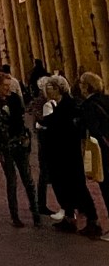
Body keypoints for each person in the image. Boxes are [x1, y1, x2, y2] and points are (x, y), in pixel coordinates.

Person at [39, 75, 102, 237]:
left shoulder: (69, 105)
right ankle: (69, 217)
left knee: (77, 186)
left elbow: (61, 124)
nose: (47, 91)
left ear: (58, 88)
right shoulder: (62, 105)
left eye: (50, 87)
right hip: (60, 154)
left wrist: (44, 123)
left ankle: (93, 220)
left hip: (68, 154)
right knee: (63, 185)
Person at [0, 71, 38, 227]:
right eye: (5, 86)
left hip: (20, 144)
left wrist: (25, 138)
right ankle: (15, 216)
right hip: (5, 147)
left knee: (28, 179)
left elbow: (21, 120)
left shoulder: (15, 99)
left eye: (9, 85)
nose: (8, 89)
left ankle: (35, 212)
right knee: (12, 181)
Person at [77, 72, 109, 232]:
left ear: (86, 86)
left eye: (82, 84)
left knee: (106, 186)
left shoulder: (88, 106)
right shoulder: (106, 99)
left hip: (101, 151)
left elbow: (92, 131)